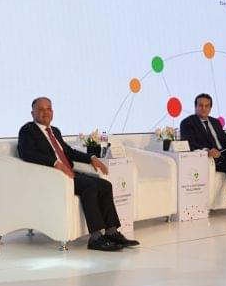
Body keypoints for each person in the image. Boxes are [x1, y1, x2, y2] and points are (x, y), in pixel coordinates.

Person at [16, 97, 138, 251]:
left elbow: (69, 152)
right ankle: (95, 238)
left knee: (105, 185)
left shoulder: (55, 131)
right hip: (53, 177)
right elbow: (27, 154)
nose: (45, 112)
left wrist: (91, 158)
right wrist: (56, 164)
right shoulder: (27, 130)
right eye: (40, 109)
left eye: (48, 109)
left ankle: (111, 232)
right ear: (32, 113)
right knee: (90, 186)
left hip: (69, 174)